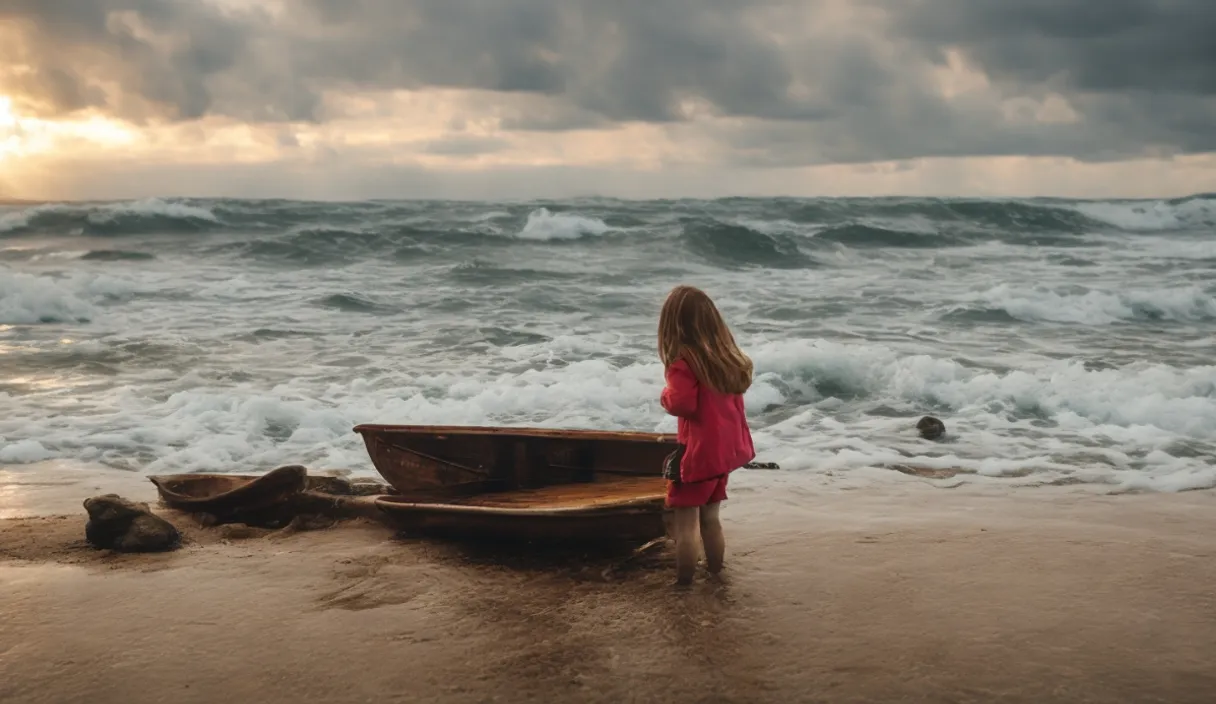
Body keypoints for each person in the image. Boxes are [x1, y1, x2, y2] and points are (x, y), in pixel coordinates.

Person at [658, 285, 755, 585]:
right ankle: (715, 576)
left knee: (685, 525)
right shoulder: (727, 360)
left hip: (697, 456)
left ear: (673, 326)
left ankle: (683, 587)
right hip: (723, 456)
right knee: (711, 520)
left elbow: (682, 404)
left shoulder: (684, 365)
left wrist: (664, 395)